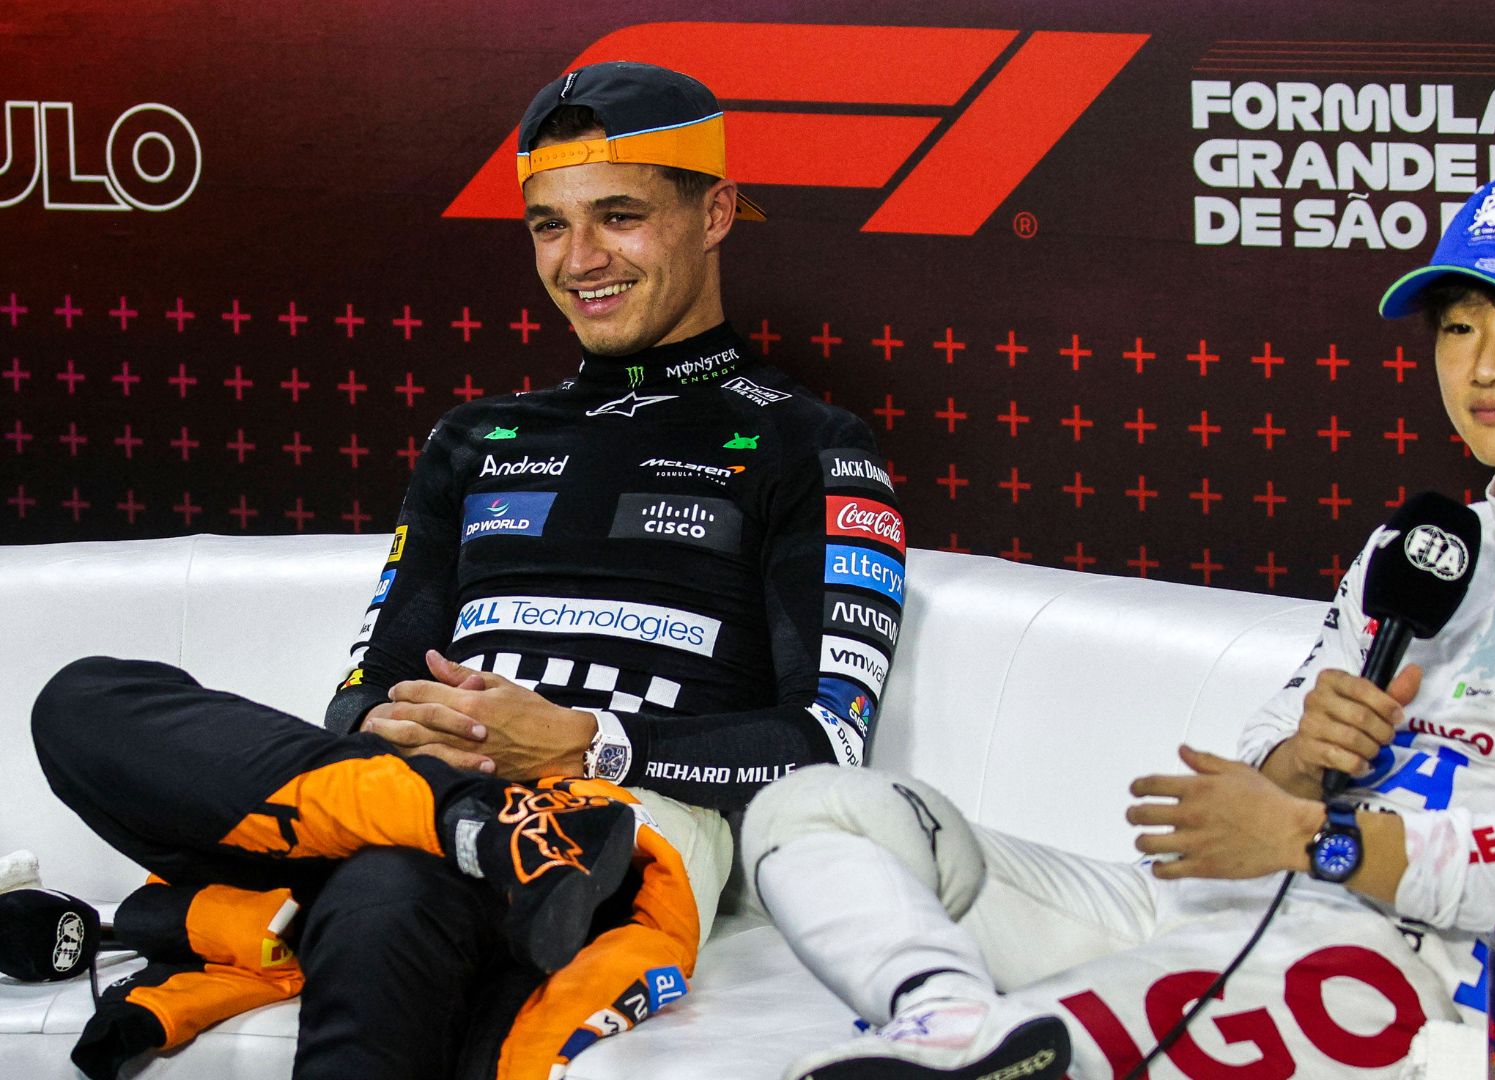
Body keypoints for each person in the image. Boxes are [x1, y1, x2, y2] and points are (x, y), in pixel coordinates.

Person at [740, 168, 1495, 1080]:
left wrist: (1320, 837)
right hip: (1212, 903)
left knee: (1069, 1031)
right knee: (813, 808)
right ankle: (947, 1017)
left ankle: (982, 1049)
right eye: (1458, 328)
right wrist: (1302, 760)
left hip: (1395, 974)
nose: (1485, 367)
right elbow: (1270, 762)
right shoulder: (1422, 542)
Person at [31, 60, 903, 1080]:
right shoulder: (477, 438)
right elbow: (365, 687)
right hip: (421, 798)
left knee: (386, 892)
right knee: (84, 700)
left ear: (713, 213)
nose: (580, 260)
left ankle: (478, 837)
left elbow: (826, 746)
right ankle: (471, 828)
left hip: (609, 824)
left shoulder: (813, 446)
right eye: (549, 225)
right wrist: (400, 737)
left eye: (619, 217)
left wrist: (585, 743)